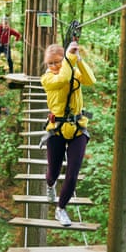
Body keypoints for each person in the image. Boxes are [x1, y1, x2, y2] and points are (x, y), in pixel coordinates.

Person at [40, 41, 96, 226]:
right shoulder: (47, 79)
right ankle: (50, 185)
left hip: (78, 128)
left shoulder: (73, 71)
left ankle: (61, 208)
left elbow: (91, 80)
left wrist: (78, 60)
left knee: (72, 173)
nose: (54, 66)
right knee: (53, 171)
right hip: (56, 129)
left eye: (57, 62)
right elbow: (63, 79)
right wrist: (68, 60)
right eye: (51, 63)